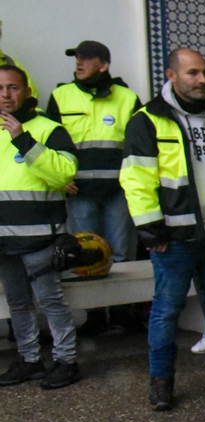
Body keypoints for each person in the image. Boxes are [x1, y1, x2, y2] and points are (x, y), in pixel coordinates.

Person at [121, 47, 205, 412]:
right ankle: (161, 382)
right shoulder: (147, 119)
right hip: (173, 239)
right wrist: (150, 229)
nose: (203, 79)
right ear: (171, 75)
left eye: (204, 72)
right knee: (166, 309)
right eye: (192, 74)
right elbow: (137, 178)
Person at [0, 63, 81, 389]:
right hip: (4, 239)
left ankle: (66, 361)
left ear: (27, 91)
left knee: (51, 302)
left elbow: (64, 172)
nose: (6, 95)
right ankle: (30, 359)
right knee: (17, 303)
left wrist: (23, 140)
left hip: (40, 238)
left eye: (13, 88)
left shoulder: (49, 129)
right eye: (0, 89)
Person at [45, 40, 141, 262]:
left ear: (104, 65)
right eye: (77, 57)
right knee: (84, 253)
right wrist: (58, 178)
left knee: (119, 253)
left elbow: (139, 145)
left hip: (118, 190)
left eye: (86, 58)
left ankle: (123, 298)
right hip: (79, 190)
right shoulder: (61, 95)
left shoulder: (127, 97)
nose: (79, 62)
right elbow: (49, 140)